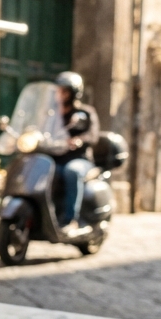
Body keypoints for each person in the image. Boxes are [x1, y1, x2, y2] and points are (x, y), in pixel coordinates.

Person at [51, 71, 100, 229]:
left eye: (64, 91)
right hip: (56, 158)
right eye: (58, 90)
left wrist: (79, 140)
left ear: (73, 93)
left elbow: (93, 136)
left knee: (71, 171)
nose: (60, 94)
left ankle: (70, 219)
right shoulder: (51, 114)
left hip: (79, 159)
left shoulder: (85, 112)